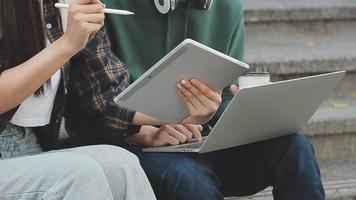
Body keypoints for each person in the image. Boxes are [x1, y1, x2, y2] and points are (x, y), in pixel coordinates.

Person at [66, 0, 325, 199]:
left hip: (197, 140)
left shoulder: (225, 6)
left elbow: (224, 97)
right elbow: (90, 109)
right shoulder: (101, 7)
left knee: (294, 147)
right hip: (127, 145)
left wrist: (249, 110)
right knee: (190, 178)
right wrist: (141, 130)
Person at [0, 0, 157, 199]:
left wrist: (174, 109)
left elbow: (101, 94)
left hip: (30, 145)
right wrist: (67, 44)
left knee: (121, 164)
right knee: (80, 173)